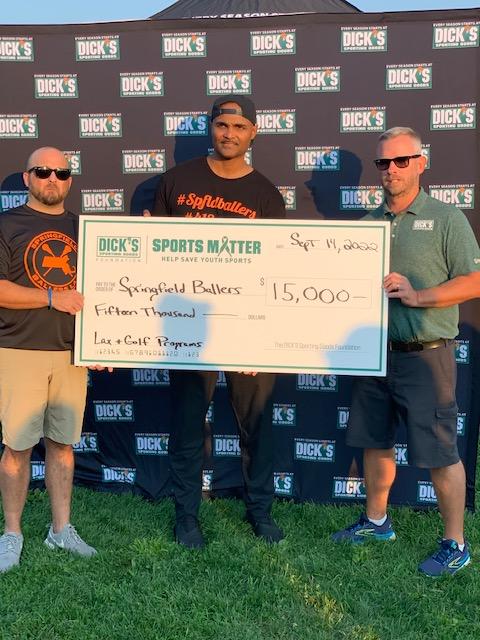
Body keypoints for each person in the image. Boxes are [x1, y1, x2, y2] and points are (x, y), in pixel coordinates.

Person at [332, 127, 480, 577]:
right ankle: (377, 522)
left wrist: (419, 297)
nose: (391, 170)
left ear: (421, 163)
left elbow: (474, 280)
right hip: (374, 353)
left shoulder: (446, 217)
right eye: (383, 162)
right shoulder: (366, 226)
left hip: (426, 355)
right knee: (374, 441)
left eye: (401, 161)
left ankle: (455, 543)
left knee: (440, 451)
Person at [149, 95, 286, 549]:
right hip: (189, 324)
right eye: (222, 125)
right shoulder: (176, 181)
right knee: (189, 423)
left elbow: (276, 270)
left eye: (239, 127)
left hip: (247, 328)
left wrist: (262, 336)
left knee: (256, 425)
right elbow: (153, 257)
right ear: (212, 128)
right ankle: (186, 515)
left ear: (253, 133)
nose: (229, 134)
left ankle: (260, 511)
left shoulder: (266, 194)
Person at [0, 147, 97, 573]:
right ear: (27, 178)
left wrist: (105, 343)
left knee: (62, 445)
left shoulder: (86, 229)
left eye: (61, 172)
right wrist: (53, 297)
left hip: (71, 353)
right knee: (17, 447)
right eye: (43, 171)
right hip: (19, 350)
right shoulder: (7, 225)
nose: (52, 179)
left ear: (70, 180)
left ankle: (60, 529)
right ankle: (12, 533)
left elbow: (114, 285)